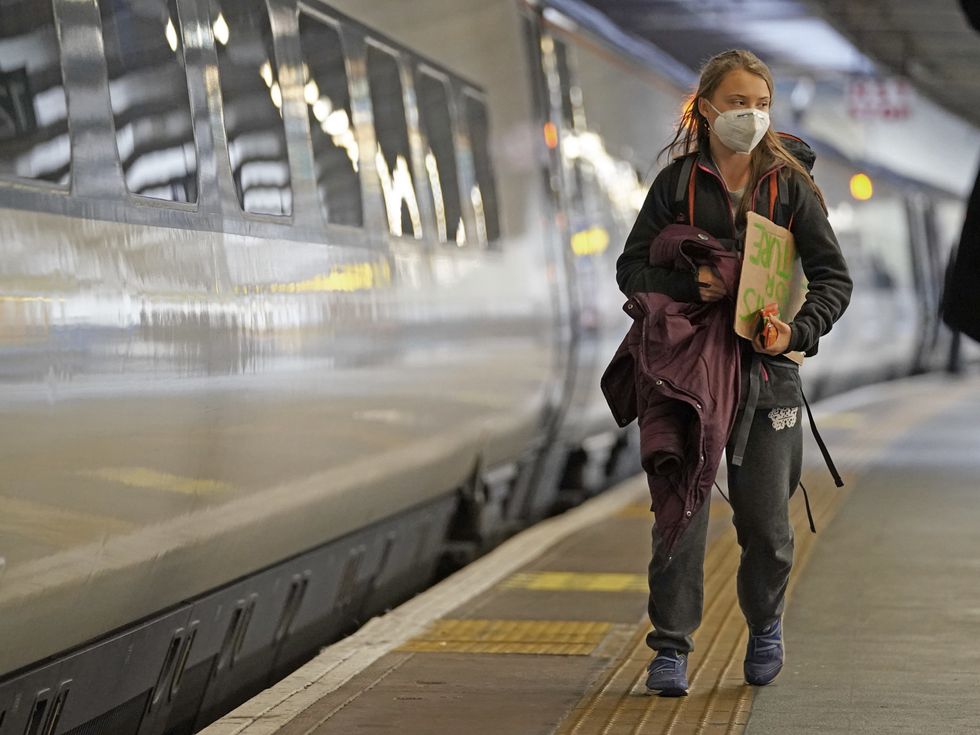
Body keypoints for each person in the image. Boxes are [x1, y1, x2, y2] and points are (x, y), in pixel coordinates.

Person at [615, 49, 852, 696]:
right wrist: (688, 283)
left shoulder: (789, 187)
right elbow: (630, 269)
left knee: (766, 525)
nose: (750, 115)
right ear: (706, 106)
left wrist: (797, 332)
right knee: (680, 512)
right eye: (738, 102)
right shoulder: (677, 185)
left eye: (761, 104)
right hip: (685, 369)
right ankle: (670, 648)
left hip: (767, 372)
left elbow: (833, 279)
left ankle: (766, 625)